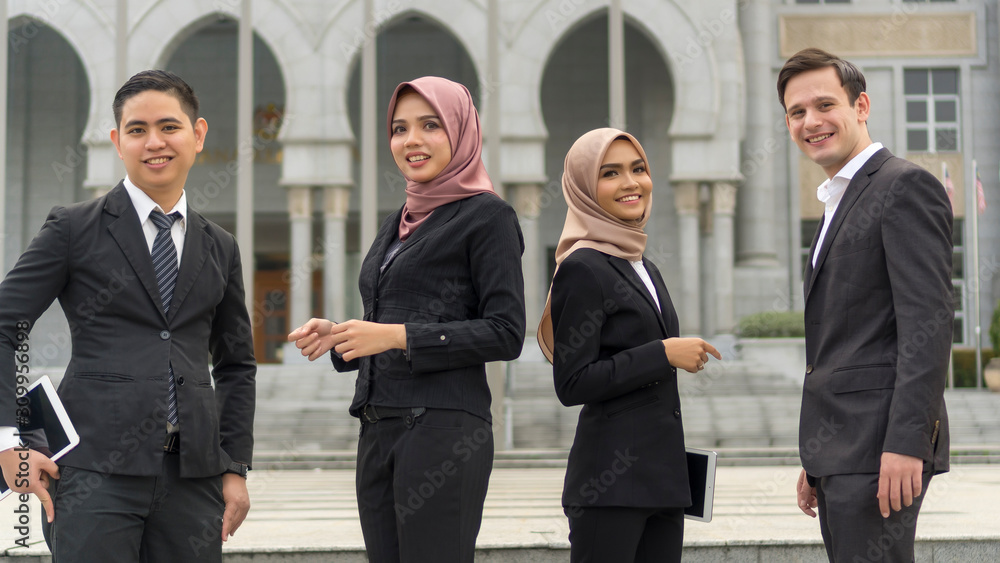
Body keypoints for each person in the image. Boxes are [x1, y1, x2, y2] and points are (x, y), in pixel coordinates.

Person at [0, 70, 256, 562]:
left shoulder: (220, 246)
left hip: (193, 480)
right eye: (137, 130)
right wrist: (10, 441)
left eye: (169, 127)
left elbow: (236, 365)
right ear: (118, 143)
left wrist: (235, 467)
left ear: (198, 134)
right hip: (93, 475)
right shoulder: (73, 228)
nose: (154, 142)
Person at [287, 76, 525, 563]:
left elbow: (505, 332)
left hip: (442, 432)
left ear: (461, 131)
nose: (411, 140)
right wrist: (341, 334)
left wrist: (396, 336)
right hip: (378, 430)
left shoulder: (488, 217)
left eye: (430, 125)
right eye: (399, 129)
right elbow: (396, 317)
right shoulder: (397, 221)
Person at [779, 48, 952, 562]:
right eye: (796, 112)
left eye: (824, 105)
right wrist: (819, 457)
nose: (811, 122)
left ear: (861, 106)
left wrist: (906, 443)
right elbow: (842, 342)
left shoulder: (903, 186)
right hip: (843, 451)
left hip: (881, 451)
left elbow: (927, 325)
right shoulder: (837, 199)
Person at [537, 128, 720, 563]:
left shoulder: (643, 266)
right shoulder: (583, 267)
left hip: (663, 483)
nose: (631, 183)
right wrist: (663, 354)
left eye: (638, 169)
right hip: (610, 487)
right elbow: (572, 381)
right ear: (583, 187)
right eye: (610, 173)